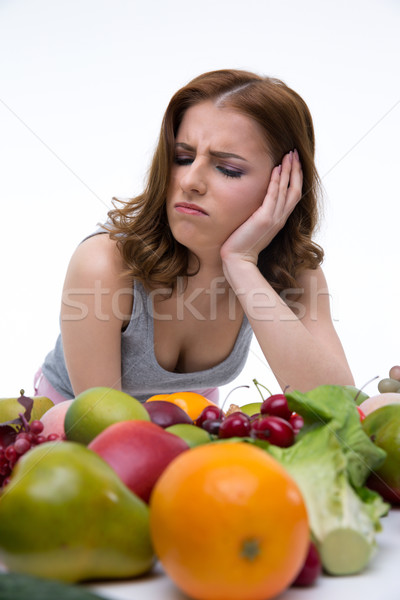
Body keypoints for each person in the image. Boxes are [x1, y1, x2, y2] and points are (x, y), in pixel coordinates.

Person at [35, 69, 354, 405]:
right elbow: (100, 427)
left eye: (227, 168)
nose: (190, 181)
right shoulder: (103, 264)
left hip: (187, 426)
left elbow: (339, 404)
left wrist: (241, 264)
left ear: (286, 184)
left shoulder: (294, 273)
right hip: (72, 432)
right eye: (182, 158)